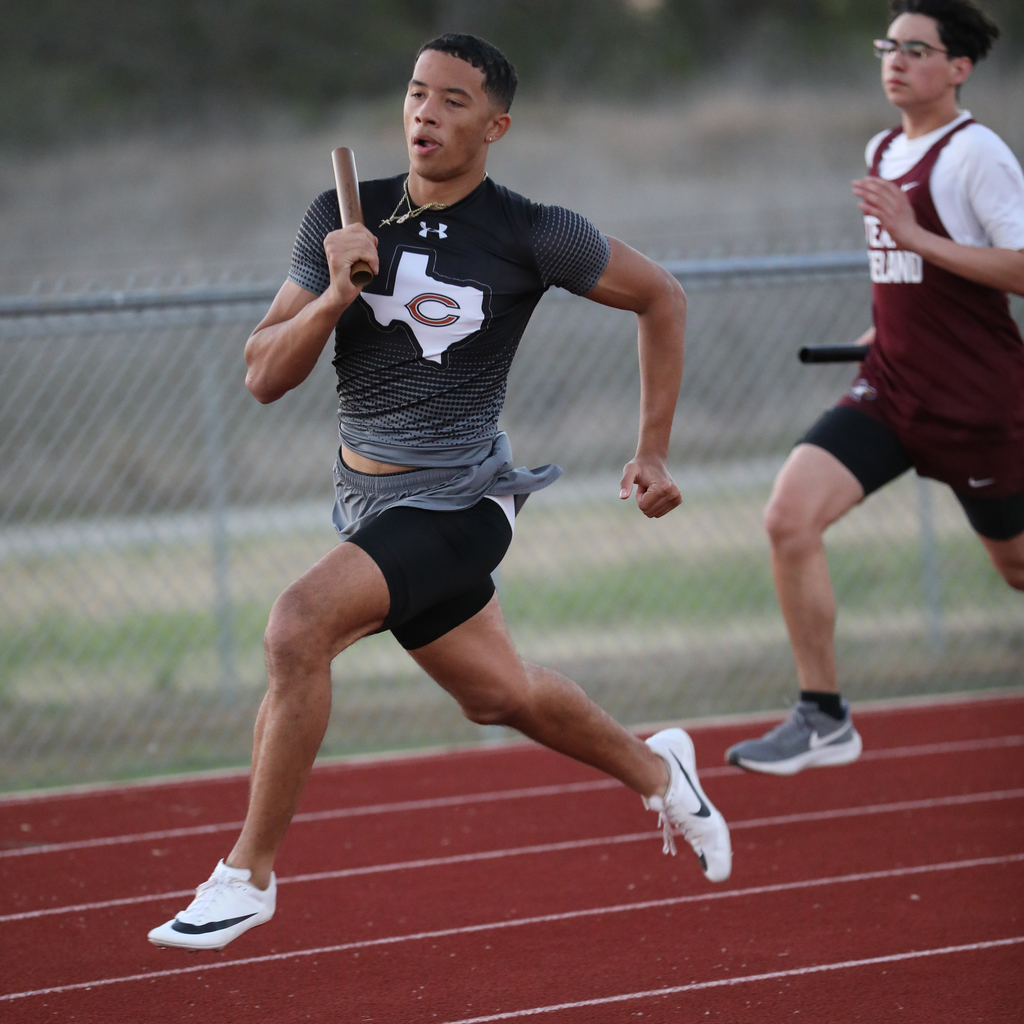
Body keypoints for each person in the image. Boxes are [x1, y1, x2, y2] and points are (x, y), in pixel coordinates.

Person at [148, 33, 730, 951]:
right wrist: (333, 295)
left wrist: (651, 450)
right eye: (418, 93)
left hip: (463, 501)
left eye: (454, 100)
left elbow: (663, 297)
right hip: (367, 502)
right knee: (499, 696)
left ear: (495, 124)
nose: (426, 112)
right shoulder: (344, 217)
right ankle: (660, 773)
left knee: (298, 624)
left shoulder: (535, 231)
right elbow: (263, 375)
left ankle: (245, 876)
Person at [726, 0, 1024, 776]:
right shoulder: (884, 145)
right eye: (887, 44)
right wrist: (884, 330)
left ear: (957, 68)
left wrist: (918, 234)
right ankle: (823, 717)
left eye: (915, 48)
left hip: (977, 406)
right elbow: (907, 277)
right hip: (891, 390)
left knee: (1016, 567)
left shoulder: (976, 154)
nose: (894, 58)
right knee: (789, 518)